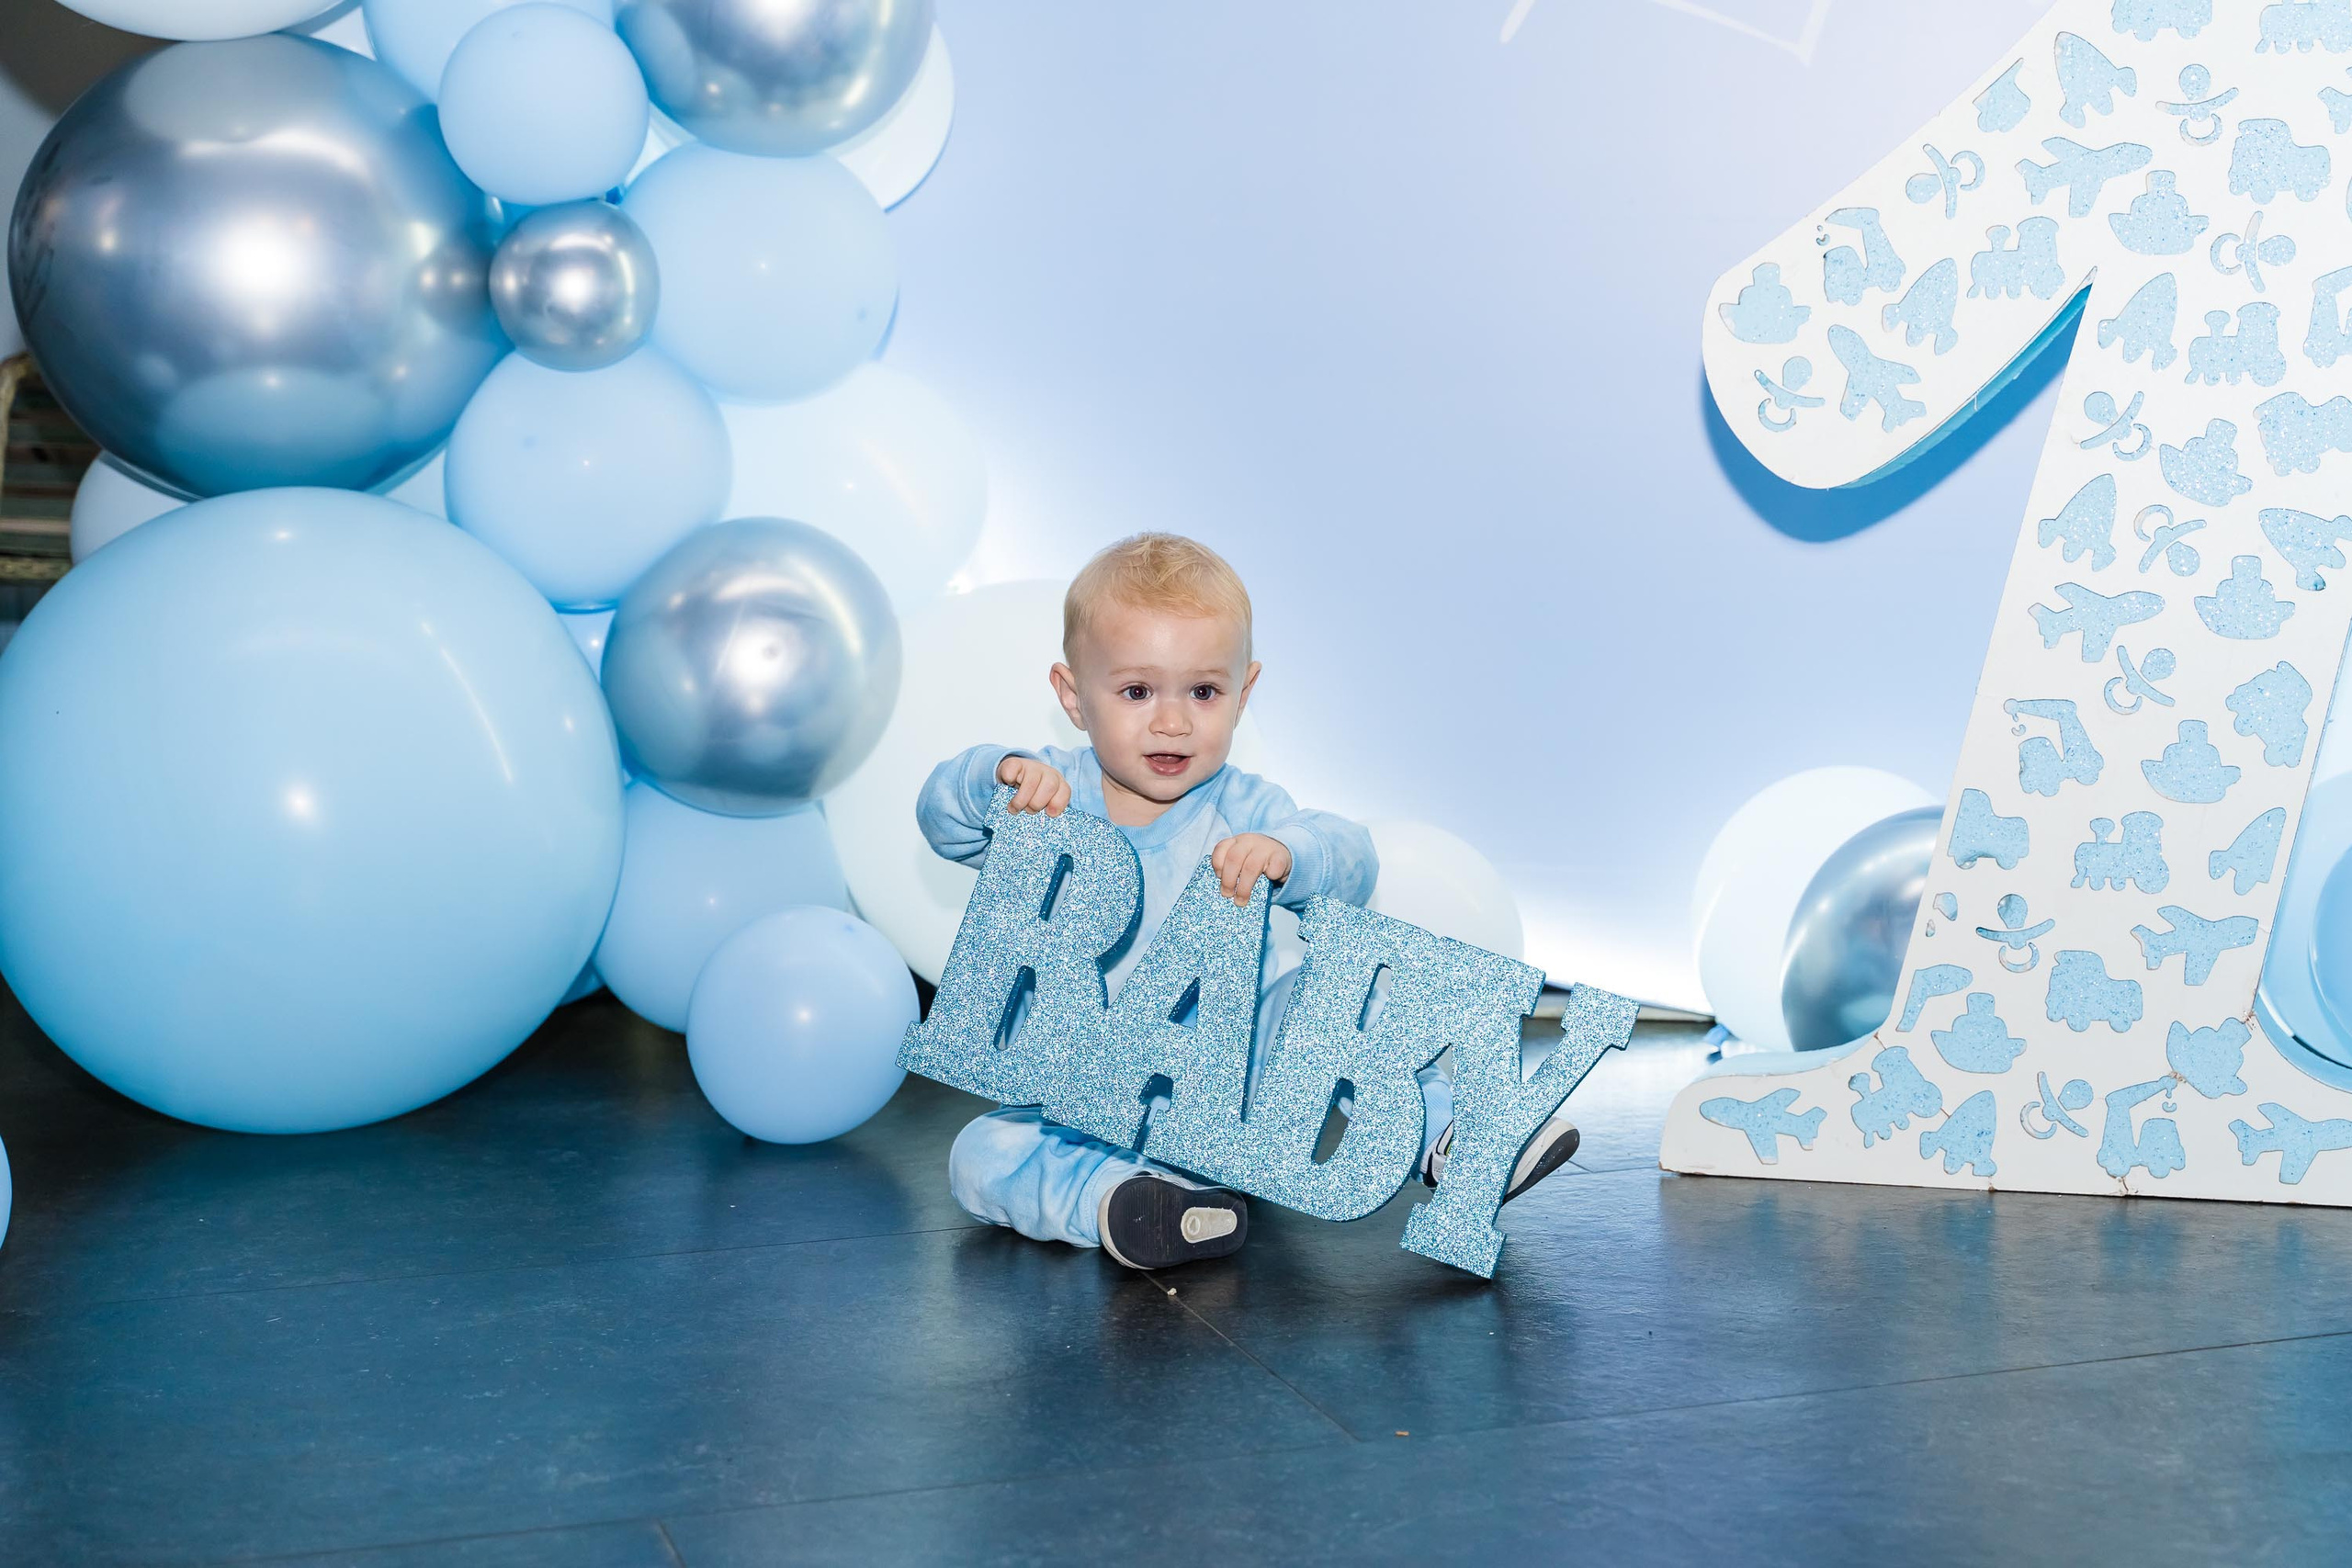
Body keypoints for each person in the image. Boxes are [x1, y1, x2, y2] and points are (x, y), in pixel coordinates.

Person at [915, 533, 1577, 1269]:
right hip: (1078, 1103)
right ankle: (1131, 1202)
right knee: (980, 1155)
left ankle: (1460, 1139)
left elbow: (1353, 855)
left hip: (1232, 1094)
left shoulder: (1246, 806)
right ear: (1073, 697)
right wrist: (993, 776)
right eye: (1136, 691)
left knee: (1319, 1001)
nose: (1173, 721)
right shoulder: (1044, 797)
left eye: (1203, 691)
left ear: (1244, 692)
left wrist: (1290, 855)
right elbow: (944, 818)